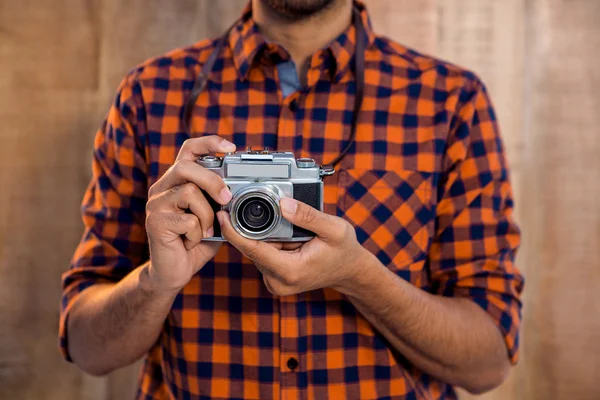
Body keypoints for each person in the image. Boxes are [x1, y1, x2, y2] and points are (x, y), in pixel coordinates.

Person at [59, 0, 524, 398]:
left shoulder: (448, 101)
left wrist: (359, 277)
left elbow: (488, 362)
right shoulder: (151, 94)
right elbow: (86, 347)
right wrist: (156, 282)